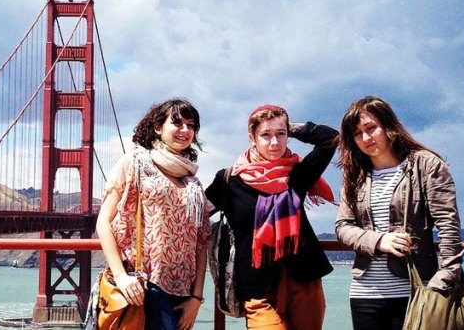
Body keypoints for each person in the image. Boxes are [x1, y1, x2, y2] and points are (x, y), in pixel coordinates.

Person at [335, 96, 464, 330]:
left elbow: (448, 225)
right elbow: (343, 227)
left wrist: (445, 277)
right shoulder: (355, 175)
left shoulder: (425, 165)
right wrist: (379, 240)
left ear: (387, 125)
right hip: (365, 295)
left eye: (371, 128)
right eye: (357, 133)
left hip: (417, 292)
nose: (365, 138)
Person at [205, 104, 339, 330]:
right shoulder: (229, 180)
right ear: (252, 137)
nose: (275, 142)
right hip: (256, 285)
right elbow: (197, 212)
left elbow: (331, 139)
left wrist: (291, 127)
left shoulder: (296, 173)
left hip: (304, 279)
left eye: (280, 134)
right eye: (265, 135)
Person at [96, 98, 211, 330]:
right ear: (158, 127)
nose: (185, 130)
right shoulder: (136, 163)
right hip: (143, 285)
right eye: (177, 123)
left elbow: (200, 242)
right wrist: (121, 276)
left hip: (182, 291)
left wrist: (196, 299)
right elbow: (103, 222)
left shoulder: (193, 181)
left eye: (191, 126)